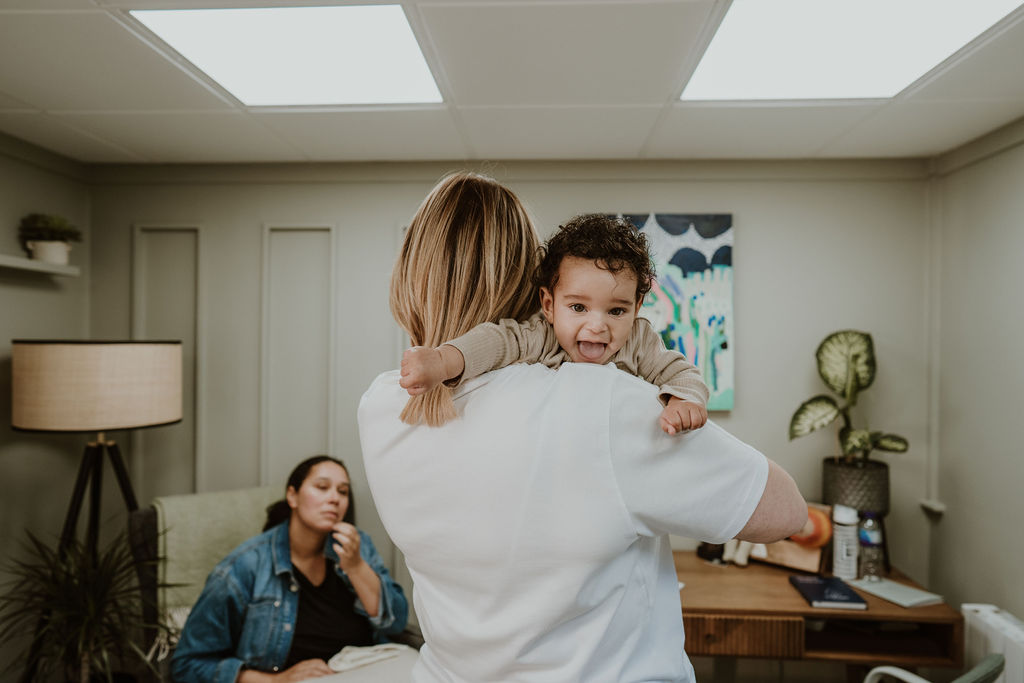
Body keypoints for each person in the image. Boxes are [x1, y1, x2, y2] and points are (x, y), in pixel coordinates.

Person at [358, 171, 807, 682]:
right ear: (536, 291)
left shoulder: (380, 407)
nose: (597, 324)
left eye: (616, 309)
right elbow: (785, 511)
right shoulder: (601, 400)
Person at [399, 213, 709, 434]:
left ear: (637, 306)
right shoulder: (541, 335)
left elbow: (682, 372)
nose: (597, 325)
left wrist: (682, 400)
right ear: (549, 305)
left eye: (616, 311)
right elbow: (495, 342)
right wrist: (442, 361)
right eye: (578, 307)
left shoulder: (639, 340)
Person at [171, 456, 409, 683]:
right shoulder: (244, 567)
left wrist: (356, 567)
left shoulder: (357, 546)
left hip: (365, 671)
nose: (335, 498)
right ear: (292, 496)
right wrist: (277, 680)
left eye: (343, 491)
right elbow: (187, 666)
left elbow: (396, 623)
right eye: (322, 487)